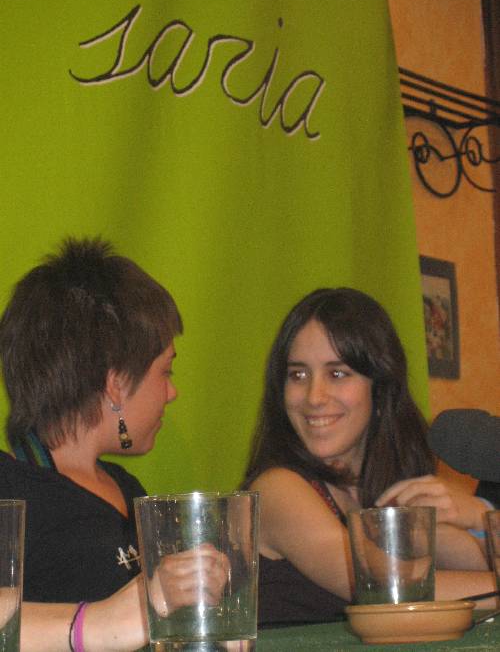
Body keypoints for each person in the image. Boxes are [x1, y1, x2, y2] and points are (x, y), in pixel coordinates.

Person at [0, 237, 229, 650]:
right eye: (166, 371)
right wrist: (103, 621)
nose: (172, 393)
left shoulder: (127, 489)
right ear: (117, 384)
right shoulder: (9, 489)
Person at [244, 288, 496, 627]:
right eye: (298, 375)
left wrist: (479, 516)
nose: (314, 397)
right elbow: (387, 589)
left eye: (337, 374)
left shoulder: (390, 491)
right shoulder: (277, 490)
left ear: (380, 387)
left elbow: (480, 565)